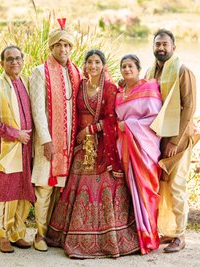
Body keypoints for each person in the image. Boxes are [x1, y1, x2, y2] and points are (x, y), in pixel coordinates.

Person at [46, 49, 140, 258]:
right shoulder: (79, 87)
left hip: (102, 145)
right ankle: (72, 236)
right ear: (85, 65)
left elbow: (113, 119)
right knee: (78, 188)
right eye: (89, 62)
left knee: (104, 187)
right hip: (81, 147)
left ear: (103, 65)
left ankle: (109, 240)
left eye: (97, 62)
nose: (93, 66)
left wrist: (92, 129)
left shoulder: (110, 88)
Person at [29, 18, 81, 252]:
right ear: (51, 48)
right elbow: (37, 109)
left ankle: (54, 232)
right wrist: (47, 141)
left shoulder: (75, 73)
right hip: (48, 143)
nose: (63, 50)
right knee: (44, 188)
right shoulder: (40, 72)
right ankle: (40, 234)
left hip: (68, 143)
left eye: (67, 46)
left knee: (62, 189)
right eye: (59, 45)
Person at [145, 29, 197, 253]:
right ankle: (167, 230)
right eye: (158, 44)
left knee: (176, 186)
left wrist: (175, 140)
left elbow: (190, 107)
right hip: (156, 139)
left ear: (174, 48)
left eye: (165, 44)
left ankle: (180, 235)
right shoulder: (150, 72)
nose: (161, 48)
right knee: (162, 187)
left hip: (178, 139)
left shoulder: (183, 71)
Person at [0, 45, 35, 253]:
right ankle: (3, 236)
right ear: (2, 63)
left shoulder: (26, 83)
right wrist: (15, 134)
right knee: (4, 190)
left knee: (23, 190)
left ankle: (17, 233)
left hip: (26, 147)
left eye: (17, 58)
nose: (14, 62)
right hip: (8, 147)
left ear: (23, 60)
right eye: (9, 59)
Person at [116, 54, 162, 254]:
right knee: (127, 191)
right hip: (124, 148)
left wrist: (128, 125)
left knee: (145, 190)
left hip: (143, 149)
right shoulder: (119, 92)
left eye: (130, 66)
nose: (127, 69)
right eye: (124, 66)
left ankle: (149, 236)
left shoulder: (149, 88)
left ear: (138, 68)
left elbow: (155, 120)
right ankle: (134, 236)